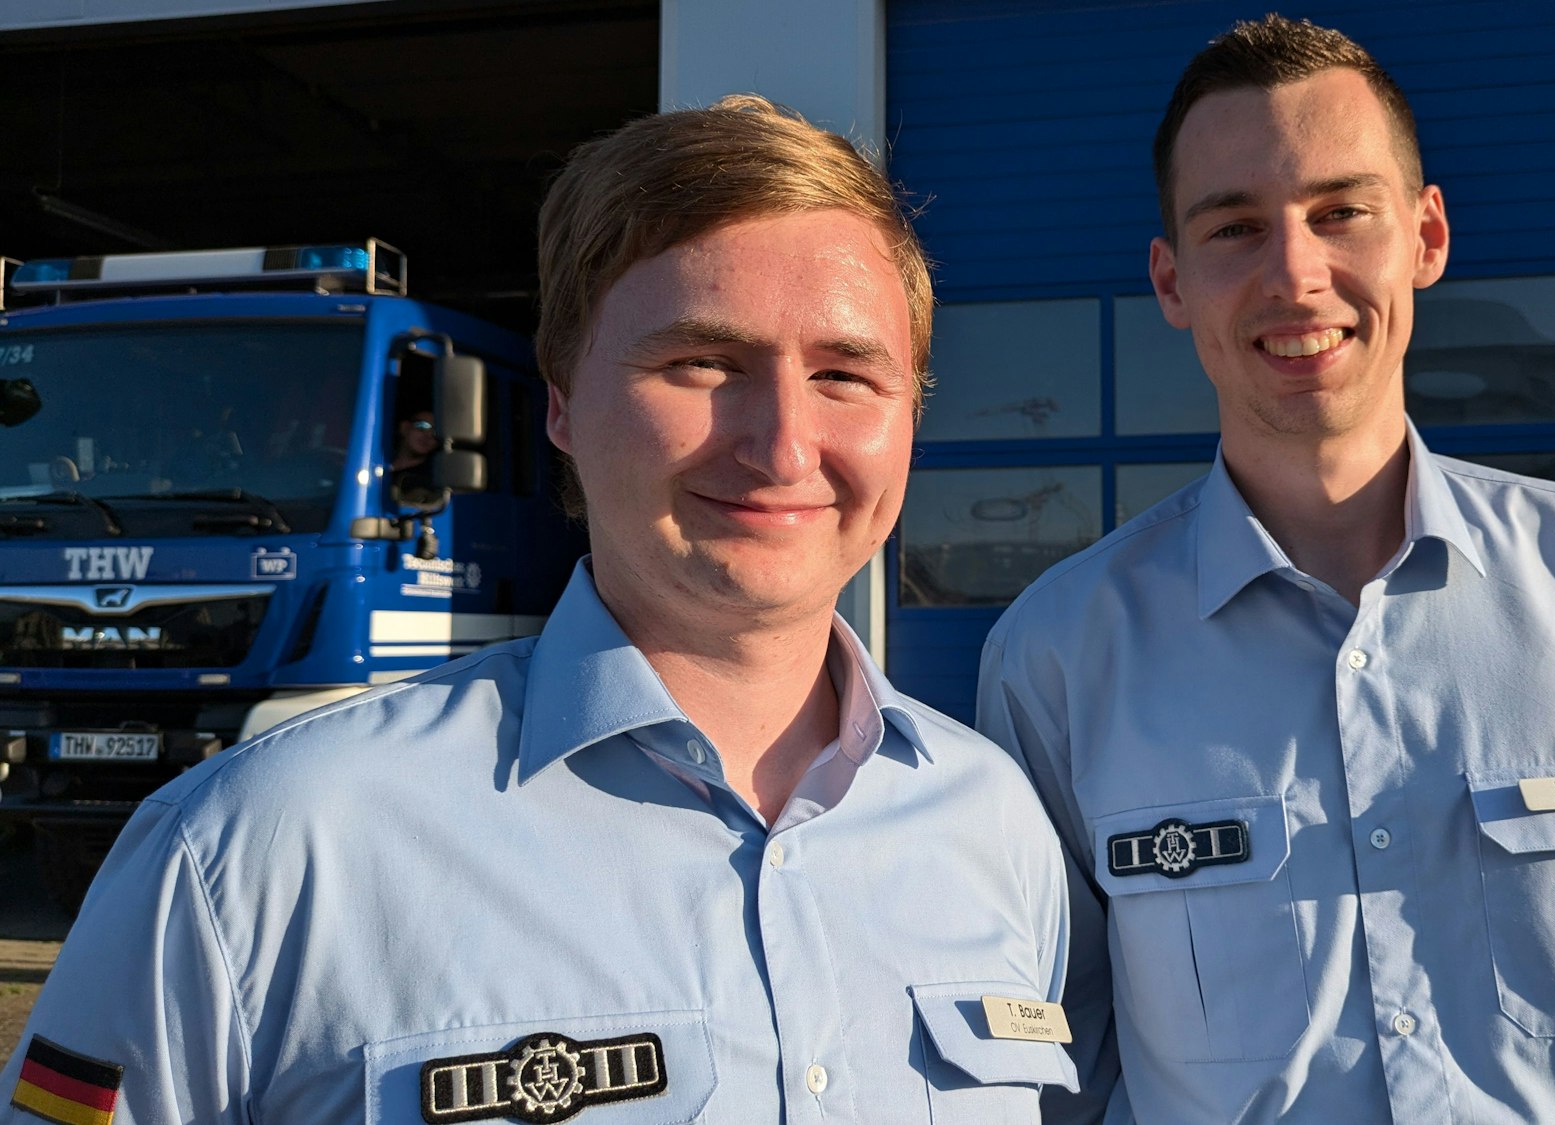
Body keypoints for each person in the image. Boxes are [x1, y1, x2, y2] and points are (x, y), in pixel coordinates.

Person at [4, 96, 1090, 1124]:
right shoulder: (259, 849)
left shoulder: (994, 829)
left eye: (846, 376)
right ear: (560, 401)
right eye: (702, 362)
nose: (782, 446)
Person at [978, 16, 1555, 1124]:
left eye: (1338, 212)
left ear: (1426, 235)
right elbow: (1061, 1045)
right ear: (1170, 281)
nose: (1294, 275)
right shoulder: (1058, 655)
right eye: (1233, 228)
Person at [389, 409, 442, 506]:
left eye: (435, 432)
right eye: (422, 426)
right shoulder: (375, 466)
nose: (428, 435)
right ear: (404, 428)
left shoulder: (434, 480)